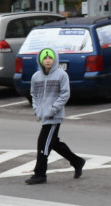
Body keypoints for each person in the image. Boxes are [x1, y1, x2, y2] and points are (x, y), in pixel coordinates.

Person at [26, 48, 84, 184]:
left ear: (55, 59)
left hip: (54, 116)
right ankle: (77, 161)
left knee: (43, 143)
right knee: (53, 143)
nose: (48, 61)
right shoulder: (36, 77)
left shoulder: (61, 75)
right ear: (40, 60)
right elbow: (33, 94)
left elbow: (65, 94)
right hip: (43, 116)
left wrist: (52, 109)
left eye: (50, 58)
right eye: (45, 58)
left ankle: (40, 174)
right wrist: (37, 109)